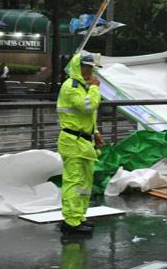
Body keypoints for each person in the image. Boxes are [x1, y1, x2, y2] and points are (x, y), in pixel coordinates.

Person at [56, 52, 105, 235]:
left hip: (83, 141)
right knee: (73, 181)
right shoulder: (72, 86)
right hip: (73, 141)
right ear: (78, 66)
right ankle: (70, 222)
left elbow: (86, 117)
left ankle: (79, 216)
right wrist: (95, 88)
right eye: (87, 67)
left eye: (91, 68)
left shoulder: (82, 87)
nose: (90, 71)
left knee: (84, 183)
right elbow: (88, 107)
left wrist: (96, 132)